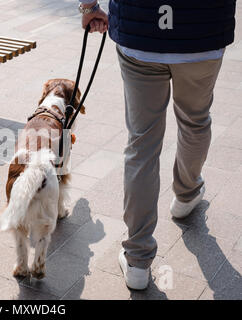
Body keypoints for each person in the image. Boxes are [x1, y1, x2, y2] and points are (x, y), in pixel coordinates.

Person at [78, 0, 236, 290]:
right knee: (195, 120)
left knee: (142, 142)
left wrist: (88, 7)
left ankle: (137, 259)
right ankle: (187, 194)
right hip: (203, 33)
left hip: (141, 33)